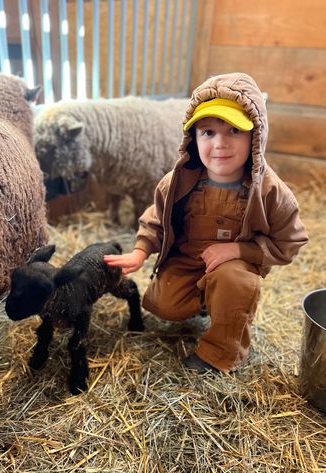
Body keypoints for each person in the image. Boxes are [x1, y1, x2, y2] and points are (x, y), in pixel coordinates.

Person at [104, 72, 308, 374]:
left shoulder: (270, 191)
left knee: (234, 281)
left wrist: (239, 251)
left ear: (256, 135)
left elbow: (290, 242)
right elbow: (156, 219)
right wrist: (140, 251)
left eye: (234, 130)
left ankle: (221, 352)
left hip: (232, 267)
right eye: (208, 132)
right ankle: (208, 301)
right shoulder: (177, 182)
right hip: (188, 260)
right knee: (163, 305)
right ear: (193, 137)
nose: (220, 144)